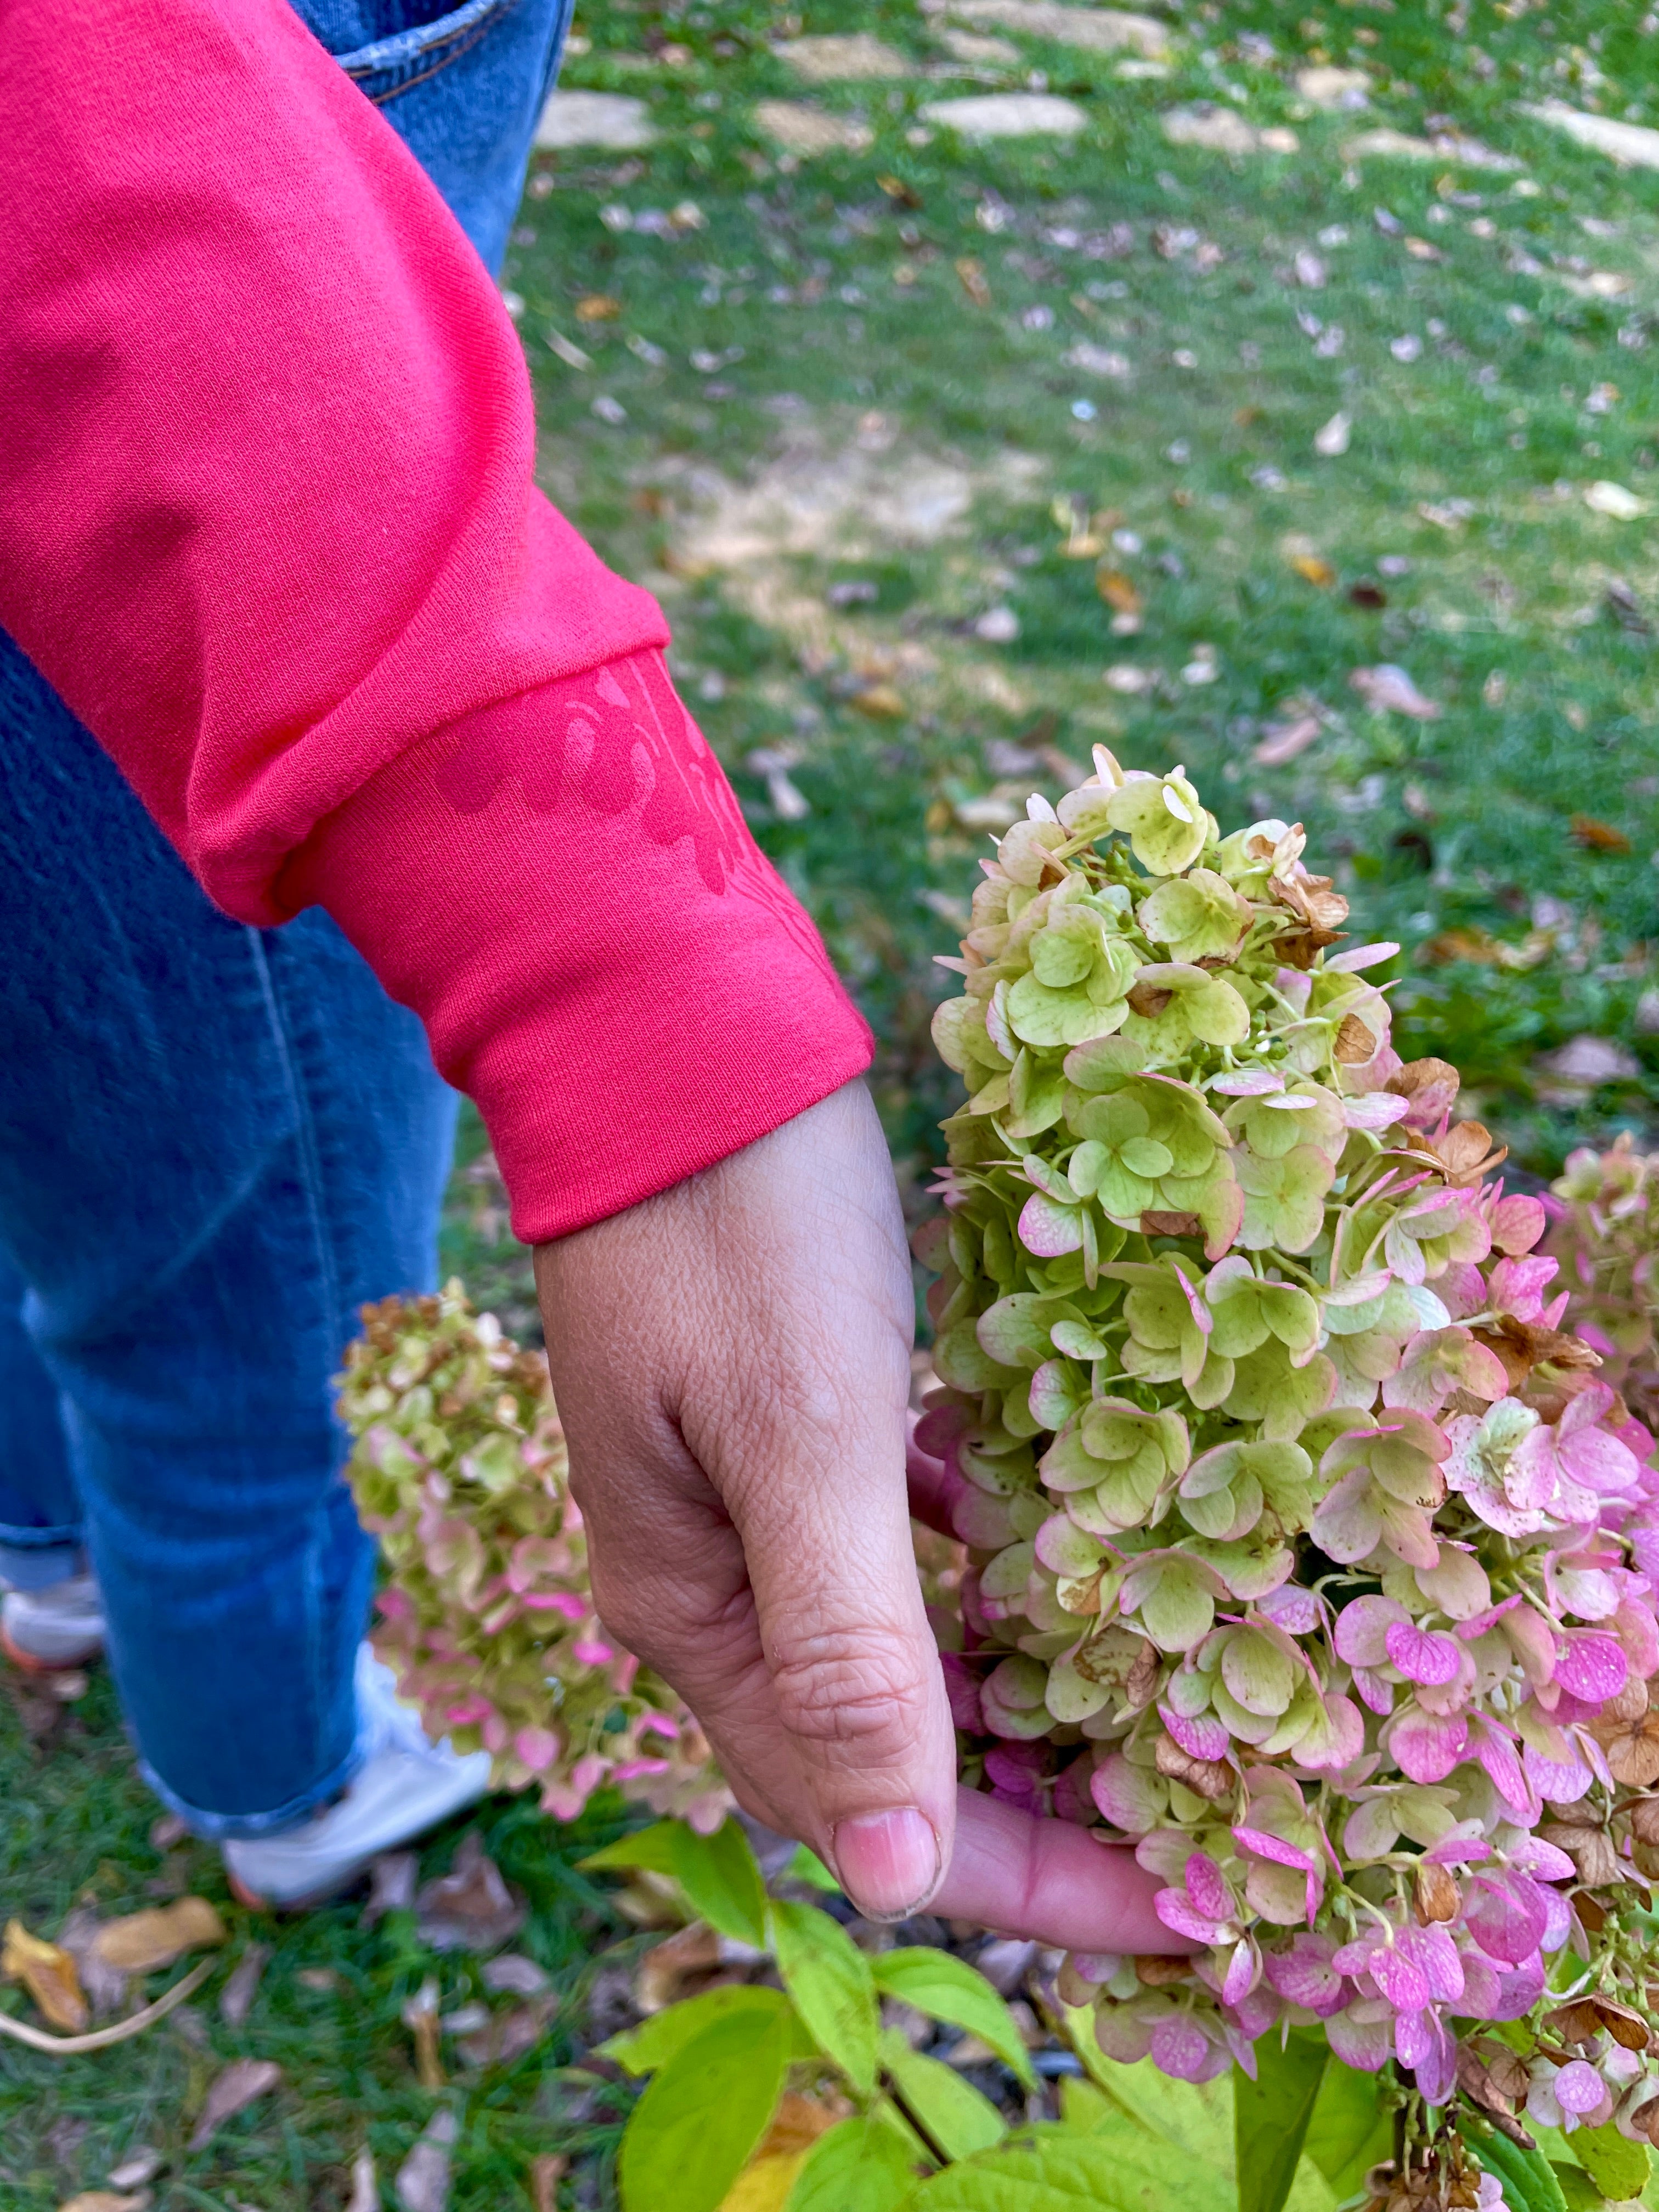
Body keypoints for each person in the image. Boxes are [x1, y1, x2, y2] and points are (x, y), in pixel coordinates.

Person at [0, 0, 1179, 1959]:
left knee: (68, 1098)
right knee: (248, 1265)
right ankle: (281, 1784)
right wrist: (623, 993)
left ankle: (49, 1553)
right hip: (190, 144)